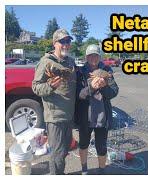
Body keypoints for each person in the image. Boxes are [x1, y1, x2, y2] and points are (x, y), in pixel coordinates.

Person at [32, 29, 76, 175]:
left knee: (64, 150)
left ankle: (60, 173)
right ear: (54, 43)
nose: (66, 44)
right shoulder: (45, 62)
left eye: (68, 41)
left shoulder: (70, 61)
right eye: (62, 41)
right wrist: (50, 86)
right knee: (57, 153)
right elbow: (36, 87)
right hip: (55, 117)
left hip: (69, 115)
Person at [75, 44, 119, 175]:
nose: (93, 58)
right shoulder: (80, 72)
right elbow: (78, 95)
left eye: (96, 55)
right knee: (83, 144)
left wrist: (104, 87)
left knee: (101, 146)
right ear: (86, 57)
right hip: (85, 116)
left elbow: (114, 92)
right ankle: (84, 169)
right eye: (90, 55)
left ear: (100, 56)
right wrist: (91, 88)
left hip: (102, 116)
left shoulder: (107, 70)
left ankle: (102, 170)